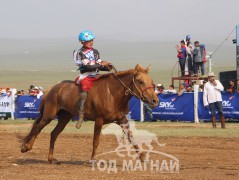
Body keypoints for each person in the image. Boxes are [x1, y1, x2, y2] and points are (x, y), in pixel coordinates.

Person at [73, 30, 111, 129]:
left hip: (96, 74)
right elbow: (88, 67)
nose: (91, 42)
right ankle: (81, 115)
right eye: (88, 41)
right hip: (86, 75)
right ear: (82, 42)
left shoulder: (95, 51)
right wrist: (102, 64)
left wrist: (107, 67)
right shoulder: (79, 52)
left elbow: (98, 65)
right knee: (85, 90)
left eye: (92, 40)